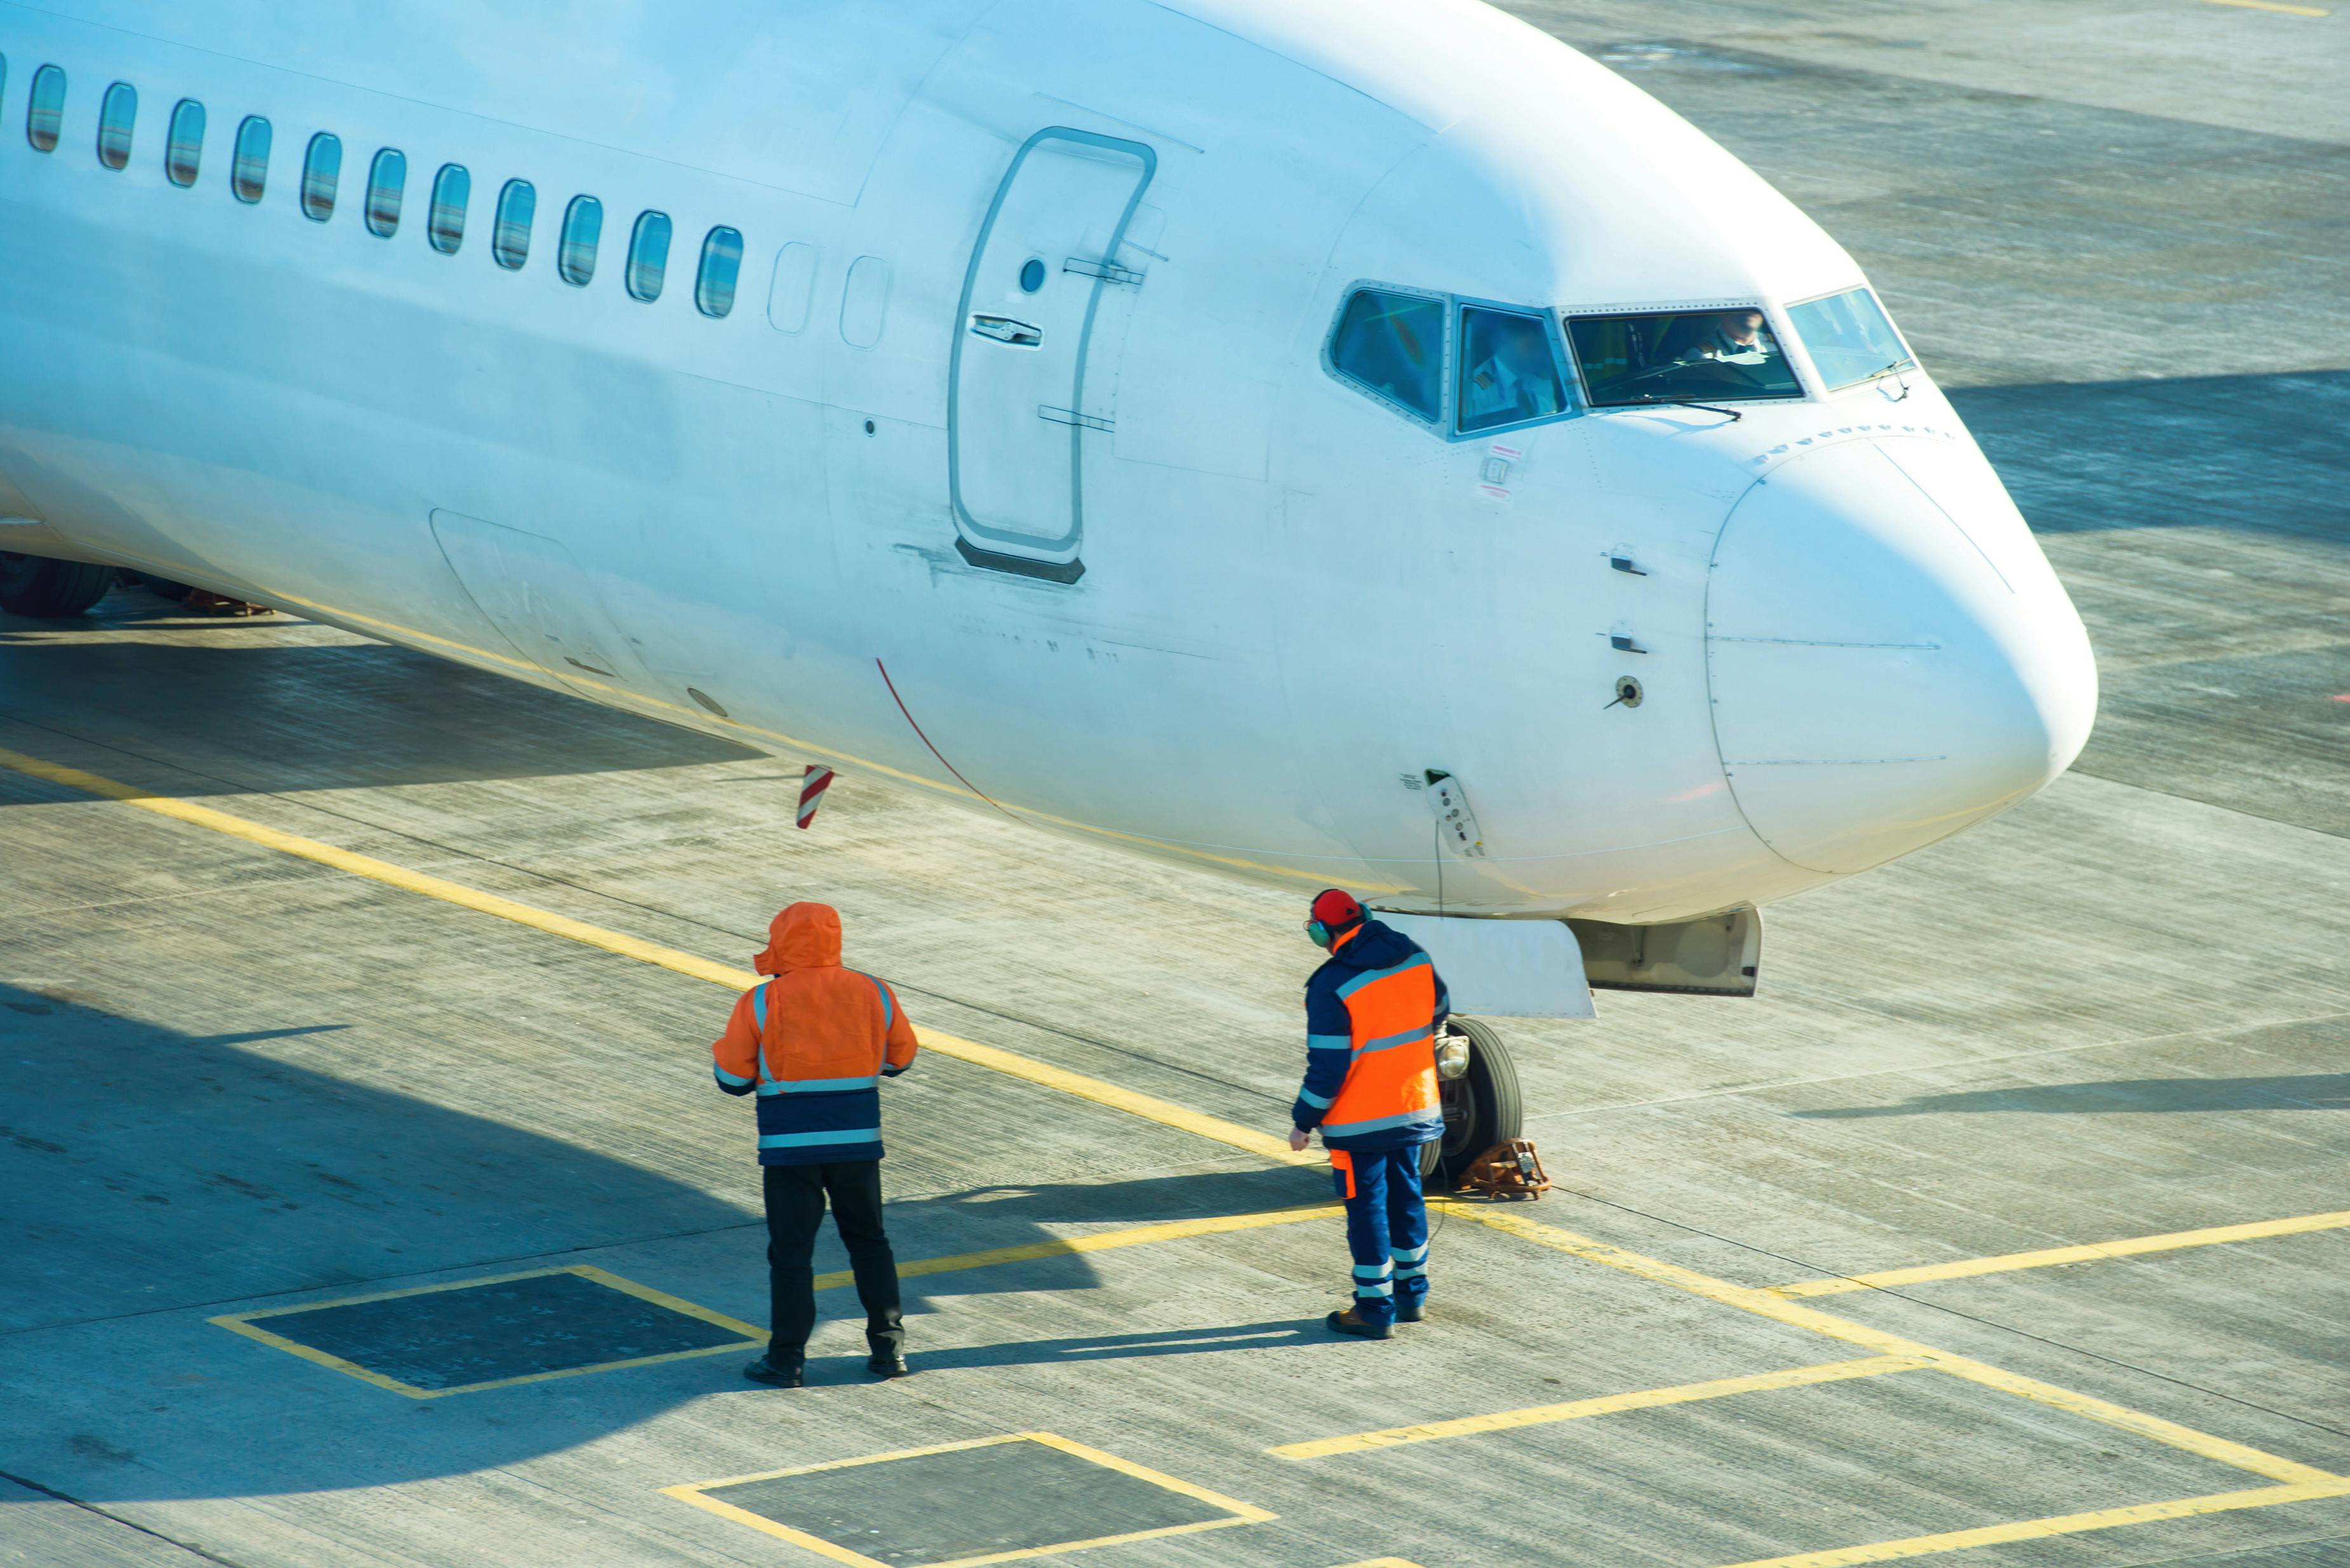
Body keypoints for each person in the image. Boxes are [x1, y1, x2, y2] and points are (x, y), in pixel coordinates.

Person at [712, 901, 918, 1387]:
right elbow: (901, 1057)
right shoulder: (873, 990)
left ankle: (786, 1359)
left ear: (782, 941)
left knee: (791, 1254)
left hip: (790, 1149)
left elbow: (732, 1077)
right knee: (869, 1242)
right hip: (857, 1144)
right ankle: (889, 1350)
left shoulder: (762, 1000)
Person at [1286, 889, 1449, 1339]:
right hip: (1413, 1107)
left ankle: (1374, 1309)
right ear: (1366, 916)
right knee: (1407, 1197)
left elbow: (1328, 1067)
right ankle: (1411, 1295)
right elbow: (1439, 1010)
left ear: (1321, 931)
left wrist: (1304, 1121)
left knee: (1367, 1212)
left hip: (1360, 1124)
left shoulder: (1331, 984)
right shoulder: (1414, 956)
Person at [1460, 314, 1564, 429]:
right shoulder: (1477, 389)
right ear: (1505, 342)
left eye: (1538, 347)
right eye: (1529, 348)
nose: (1536, 355)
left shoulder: (1541, 380)